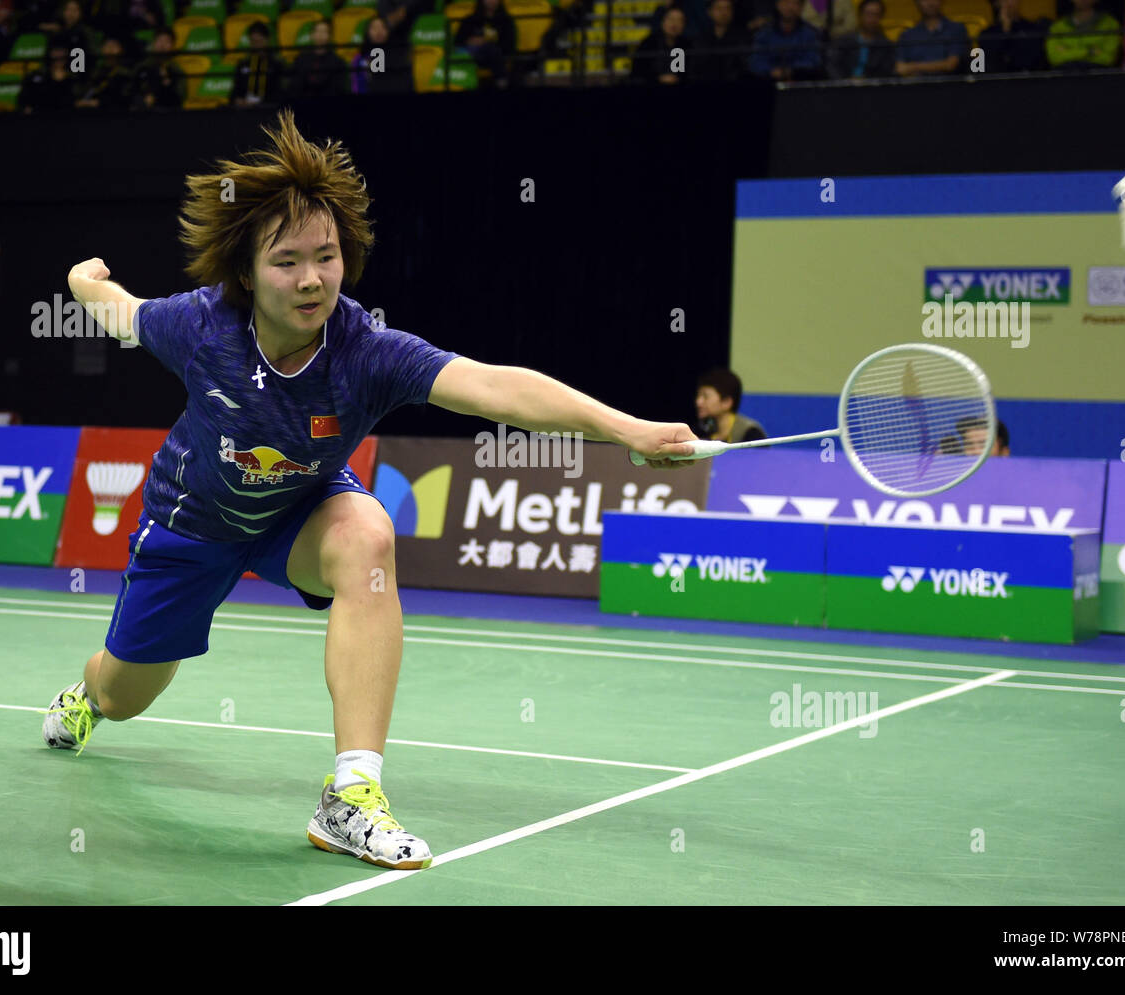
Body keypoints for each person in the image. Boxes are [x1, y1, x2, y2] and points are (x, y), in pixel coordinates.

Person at [48, 109, 699, 871]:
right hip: (192, 527)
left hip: (302, 511)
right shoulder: (201, 328)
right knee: (125, 693)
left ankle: (351, 794)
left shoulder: (364, 350)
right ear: (246, 272)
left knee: (367, 536)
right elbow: (122, 314)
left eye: (326, 256)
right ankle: (86, 696)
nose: (312, 278)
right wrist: (80, 281)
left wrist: (628, 430)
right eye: (287, 261)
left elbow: (493, 388)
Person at [749, 0, 825, 80]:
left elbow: (813, 61)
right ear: (778, 4)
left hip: (801, 82)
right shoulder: (764, 34)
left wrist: (790, 71)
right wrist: (772, 71)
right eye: (786, 2)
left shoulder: (811, 33)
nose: (790, 7)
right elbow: (755, 61)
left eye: (795, 3)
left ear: (802, 7)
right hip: (768, 83)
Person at [894, 0, 969, 75]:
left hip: (950, 85)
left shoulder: (957, 29)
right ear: (917, 2)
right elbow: (900, 69)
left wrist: (912, 67)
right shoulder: (907, 35)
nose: (930, 3)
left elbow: (950, 64)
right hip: (916, 85)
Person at [455, 0, 519, 88]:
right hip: (475, 57)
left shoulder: (506, 21)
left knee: (492, 49)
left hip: (498, 56)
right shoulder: (470, 20)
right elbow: (458, 41)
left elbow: (510, 45)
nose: (492, 1)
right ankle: (502, 81)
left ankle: (501, 81)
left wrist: (486, 41)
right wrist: (470, 41)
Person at [695, 368, 766, 443]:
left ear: (726, 402)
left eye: (705, 397)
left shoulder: (751, 433)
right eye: (698, 396)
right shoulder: (700, 431)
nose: (698, 402)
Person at [828, 0, 897, 78]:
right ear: (860, 15)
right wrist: (847, 80)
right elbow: (833, 66)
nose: (872, 19)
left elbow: (885, 72)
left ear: (881, 17)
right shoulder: (843, 41)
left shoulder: (886, 46)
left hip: (873, 87)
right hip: (842, 86)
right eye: (868, 14)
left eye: (876, 15)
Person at [1046, 0, 1121, 68]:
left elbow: (1108, 58)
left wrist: (1068, 51)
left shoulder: (1110, 24)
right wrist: (1090, 51)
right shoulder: (1058, 26)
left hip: (1099, 76)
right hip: (1066, 76)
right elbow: (1055, 59)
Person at [978, 0, 1048, 72]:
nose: (1008, 4)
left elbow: (1032, 61)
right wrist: (1005, 29)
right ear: (996, 3)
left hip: (1027, 79)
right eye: (1004, 1)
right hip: (999, 80)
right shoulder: (986, 34)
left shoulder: (1032, 29)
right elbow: (992, 63)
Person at [350, 16, 412, 94]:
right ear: (367, 32)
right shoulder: (359, 59)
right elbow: (357, 86)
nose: (379, 31)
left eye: (383, 27)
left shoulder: (397, 56)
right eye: (374, 28)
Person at [632, 6, 694, 83]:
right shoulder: (648, 44)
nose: (674, 24)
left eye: (679, 20)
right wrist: (658, 79)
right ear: (662, 21)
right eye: (671, 19)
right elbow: (638, 73)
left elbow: (692, 74)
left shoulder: (688, 46)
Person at [288, 19, 349, 97]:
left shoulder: (338, 62)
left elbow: (337, 89)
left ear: (330, 36)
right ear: (311, 35)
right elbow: (294, 86)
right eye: (317, 31)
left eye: (324, 32)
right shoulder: (301, 59)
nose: (320, 35)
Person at [233, 21, 287, 106]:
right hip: (245, 109)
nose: (256, 45)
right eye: (253, 42)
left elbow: (281, 91)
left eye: (258, 41)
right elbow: (236, 90)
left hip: (268, 108)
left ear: (267, 40)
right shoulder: (243, 63)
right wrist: (238, 99)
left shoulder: (277, 63)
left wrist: (260, 102)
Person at [695, 0, 751, 81]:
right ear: (709, 12)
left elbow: (745, 66)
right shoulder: (701, 38)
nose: (724, 13)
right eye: (719, 8)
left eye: (728, 8)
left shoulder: (743, 37)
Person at [76, 36, 136, 110]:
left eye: (114, 45)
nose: (110, 49)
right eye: (107, 45)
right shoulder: (95, 71)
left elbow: (125, 98)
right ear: (102, 49)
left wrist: (100, 103)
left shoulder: (126, 73)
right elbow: (85, 90)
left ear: (122, 49)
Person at [133, 26, 185, 110]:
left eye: (167, 41)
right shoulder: (142, 67)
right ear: (153, 43)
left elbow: (180, 97)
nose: (162, 45)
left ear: (173, 46)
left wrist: (168, 85)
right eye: (159, 40)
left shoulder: (176, 70)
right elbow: (132, 90)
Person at [18, 41, 79, 113]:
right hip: (39, 118)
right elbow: (23, 101)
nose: (59, 55)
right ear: (49, 53)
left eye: (62, 51)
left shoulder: (73, 77)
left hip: (67, 118)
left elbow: (75, 101)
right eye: (56, 51)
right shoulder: (36, 76)